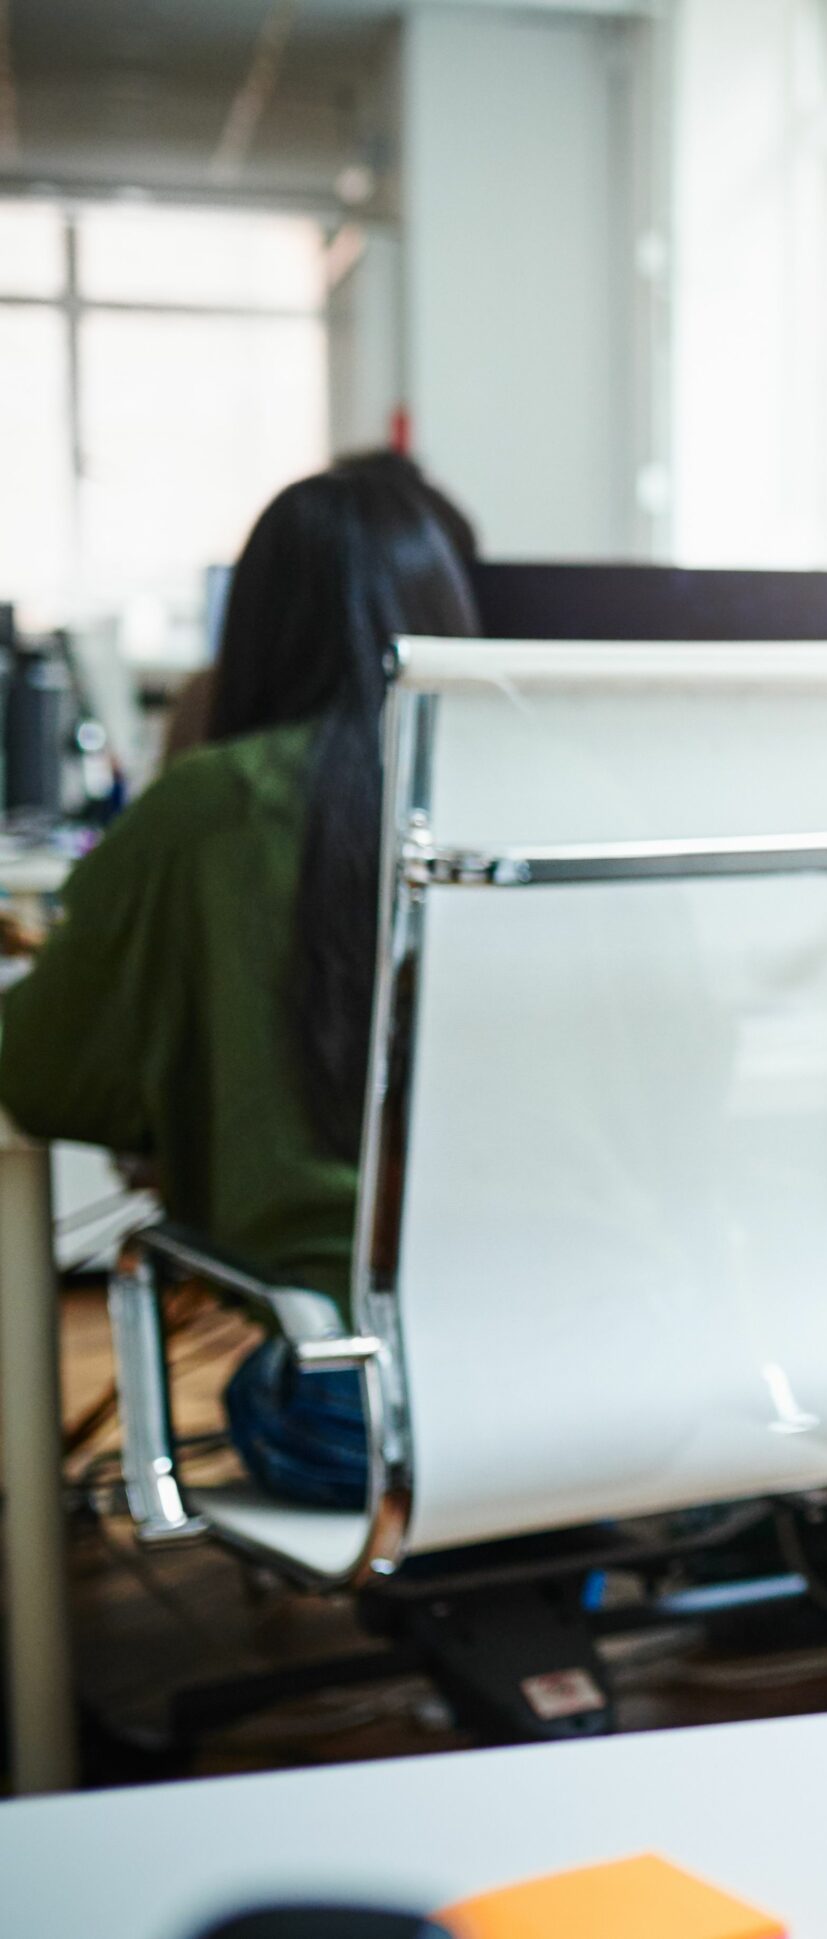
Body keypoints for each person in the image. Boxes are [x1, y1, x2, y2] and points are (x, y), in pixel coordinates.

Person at [0, 458, 480, 1508]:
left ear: (258, 627)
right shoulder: (564, 788)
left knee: (274, 1392)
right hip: (643, 1371)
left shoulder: (211, 807)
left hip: (375, 1410)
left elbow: (33, 1077)